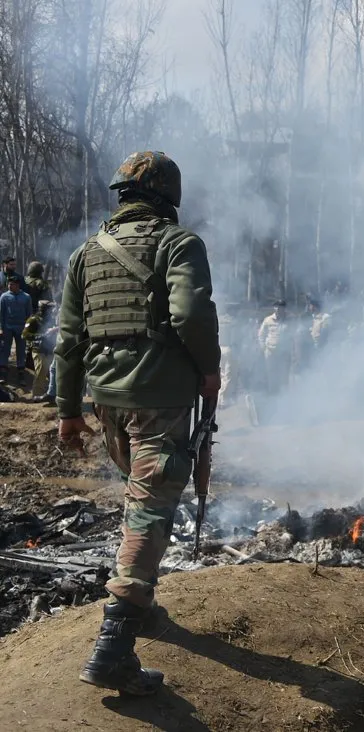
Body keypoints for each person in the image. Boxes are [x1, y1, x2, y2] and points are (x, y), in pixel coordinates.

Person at [54, 151, 220, 696]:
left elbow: (69, 340)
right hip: (161, 398)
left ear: (122, 194)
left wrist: (68, 412)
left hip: (108, 401)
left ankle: (140, 605)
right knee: (150, 509)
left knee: (139, 498)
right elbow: (191, 314)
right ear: (168, 196)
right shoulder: (179, 243)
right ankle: (113, 647)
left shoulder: (85, 254)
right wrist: (211, 370)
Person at [258, 300, 295, 394]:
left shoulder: (290, 319)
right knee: (271, 374)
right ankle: (272, 394)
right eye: (276, 306)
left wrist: (293, 350)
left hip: (284, 352)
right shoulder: (268, 320)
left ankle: (284, 395)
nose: (278, 309)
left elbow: (294, 335)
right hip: (271, 351)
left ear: (284, 308)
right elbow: (261, 335)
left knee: (284, 375)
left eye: (281, 307)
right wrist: (263, 348)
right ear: (274, 308)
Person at [1, 275, 33, 382]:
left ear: (18, 285)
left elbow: (29, 315)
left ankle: (21, 372)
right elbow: (1, 314)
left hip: (21, 328)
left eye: (12, 285)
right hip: (7, 327)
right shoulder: (4, 297)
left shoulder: (26, 297)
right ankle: (3, 371)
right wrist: (1, 328)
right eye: (9, 284)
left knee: (21, 349)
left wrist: (28, 329)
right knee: (5, 349)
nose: (10, 286)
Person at [22, 300, 56, 400]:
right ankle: (37, 395)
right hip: (39, 350)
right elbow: (24, 335)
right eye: (49, 309)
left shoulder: (52, 320)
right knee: (40, 374)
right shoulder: (33, 320)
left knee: (53, 373)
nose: (52, 311)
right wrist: (42, 336)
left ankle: (52, 394)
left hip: (50, 350)